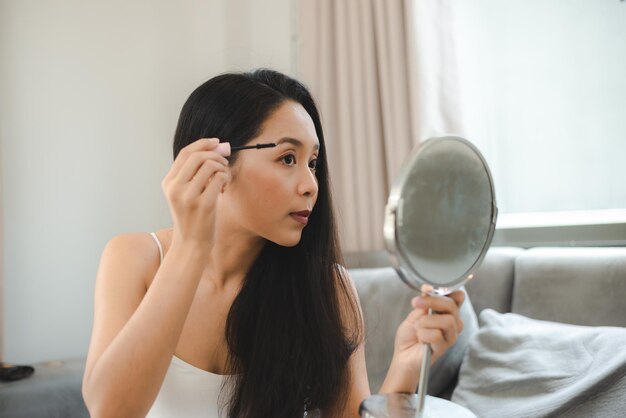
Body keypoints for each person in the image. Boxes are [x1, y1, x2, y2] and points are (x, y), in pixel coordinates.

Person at [81, 69, 465, 418]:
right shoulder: (136, 259)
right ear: (215, 162)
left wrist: (403, 373)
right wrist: (192, 246)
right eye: (287, 158)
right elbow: (110, 410)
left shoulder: (327, 286)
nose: (310, 184)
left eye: (312, 162)